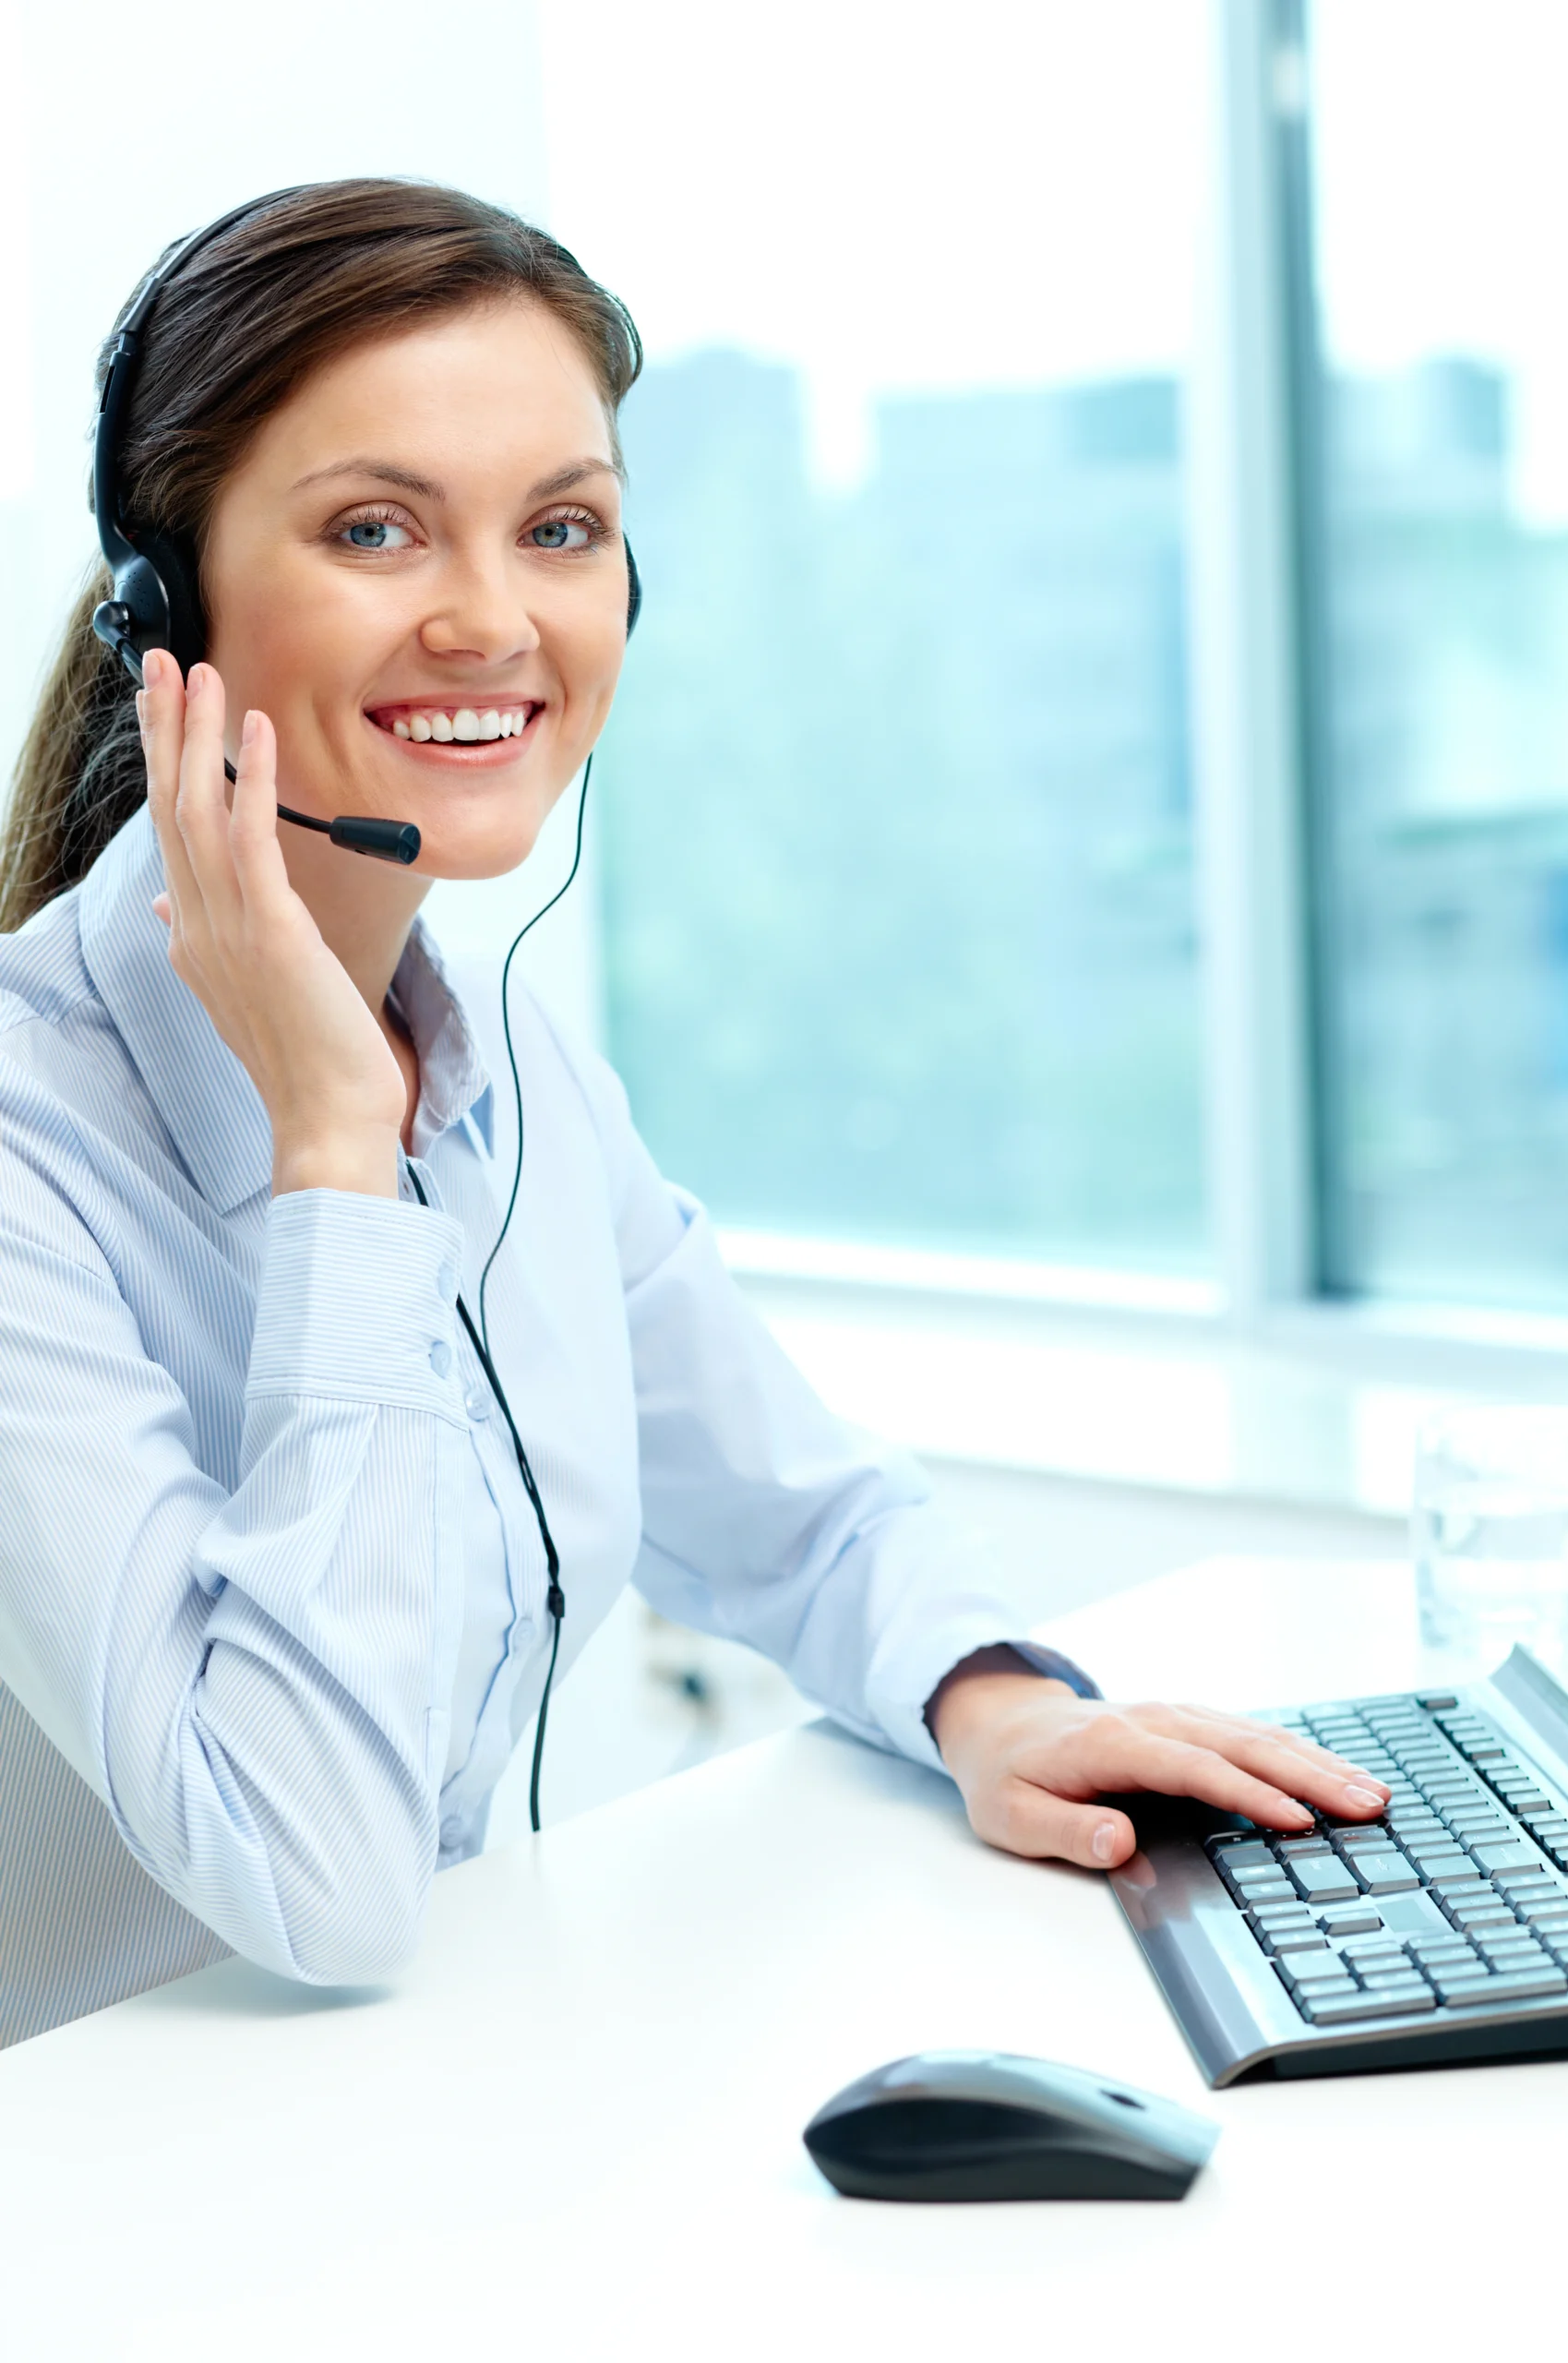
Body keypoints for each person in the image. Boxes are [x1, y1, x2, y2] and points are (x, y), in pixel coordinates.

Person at [0, 181, 1389, 2047]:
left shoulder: (504, 1074)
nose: (492, 618)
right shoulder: (36, 1146)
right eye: (374, 527)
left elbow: (795, 1511)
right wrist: (331, 1154)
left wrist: (997, 1701)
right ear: (169, 602)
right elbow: (315, 1878)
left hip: (409, 2124)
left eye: (561, 527)